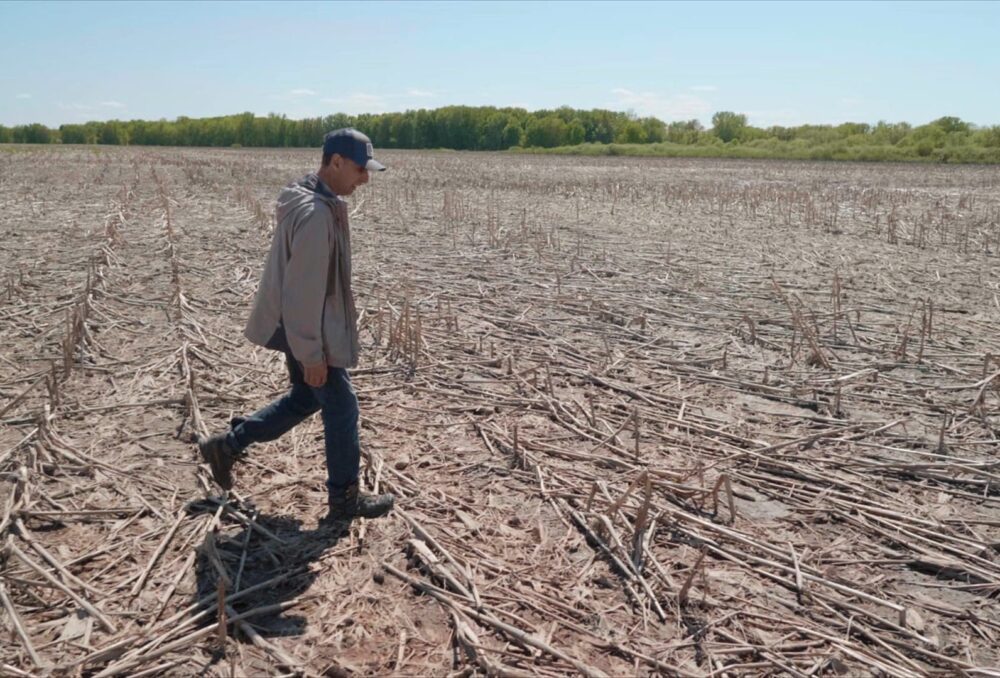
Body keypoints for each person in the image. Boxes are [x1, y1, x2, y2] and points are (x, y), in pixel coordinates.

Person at [198, 128, 394, 524]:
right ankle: (344, 502)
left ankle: (228, 444)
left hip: (298, 328)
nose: (365, 178)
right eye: (359, 168)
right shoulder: (316, 215)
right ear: (335, 162)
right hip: (306, 331)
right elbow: (301, 294)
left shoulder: (313, 198)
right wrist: (311, 353)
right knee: (342, 409)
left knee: (306, 398)